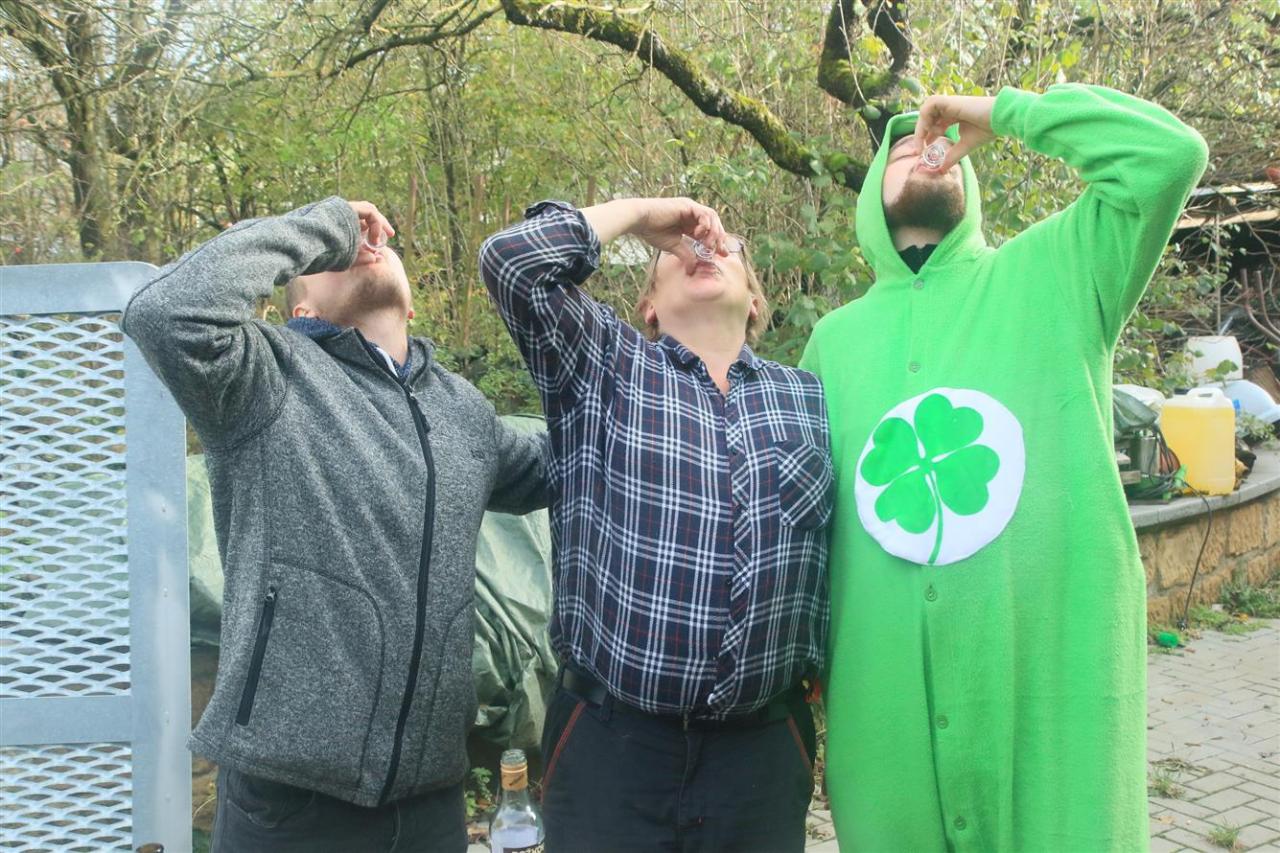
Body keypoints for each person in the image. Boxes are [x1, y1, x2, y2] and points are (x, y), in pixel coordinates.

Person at [800, 86, 1208, 849]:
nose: (925, 148)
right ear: (868, 196)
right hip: (889, 737)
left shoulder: (1058, 271)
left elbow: (1169, 157)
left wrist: (1002, 113)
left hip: (1050, 717)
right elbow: (804, 525)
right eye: (899, 149)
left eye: (936, 143)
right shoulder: (833, 341)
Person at [122, 197, 548, 852]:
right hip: (292, 800)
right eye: (332, 259)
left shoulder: (462, 410)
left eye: (378, 247)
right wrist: (330, 226)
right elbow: (165, 311)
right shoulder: (266, 376)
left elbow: (577, 461)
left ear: (412, 307)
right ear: (303, 311)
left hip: (432, 797)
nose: (366, 249)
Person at [481, 197, 833, 852]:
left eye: (730, 249)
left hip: (762, 754)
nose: (708, 247)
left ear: (756, 303)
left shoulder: (813, 398)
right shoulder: (602, 367)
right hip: (611, 747)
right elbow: (513, 260)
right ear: (647, 307)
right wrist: (646, 217)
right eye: (684, 251)